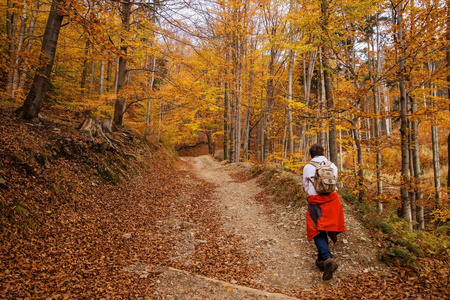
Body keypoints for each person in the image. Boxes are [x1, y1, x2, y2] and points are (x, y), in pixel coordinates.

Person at [302, 144, 346, 280]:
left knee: (317, 230)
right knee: (327, 228)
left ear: (311, 154)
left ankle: (327, 259)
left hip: (317, 202)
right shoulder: (333, 166)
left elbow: (304, 186)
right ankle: (321, 261)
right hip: (333, 201)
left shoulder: (308, 167)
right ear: (323, 152)